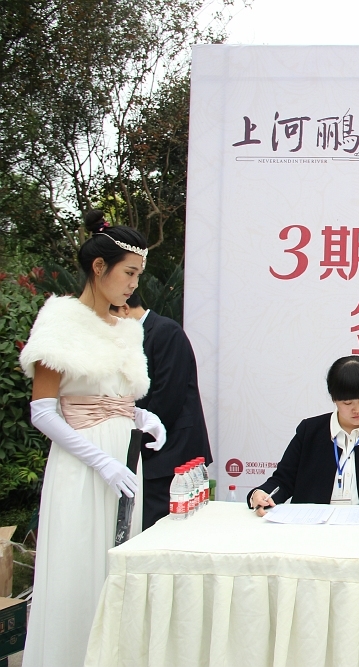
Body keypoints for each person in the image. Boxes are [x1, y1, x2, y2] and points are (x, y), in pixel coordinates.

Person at [19, 210, 166, 667]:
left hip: (123, 461)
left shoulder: (126, 329)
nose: (133, 285)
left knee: (116, 566)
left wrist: (141, 415)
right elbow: (43, 411)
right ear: (99, 267)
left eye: (138, 275)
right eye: (128, 273)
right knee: (78, 565)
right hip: (83, 464)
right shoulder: (61, 321)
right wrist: (99, 461)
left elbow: (111, 398)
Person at [248, 356, 359, 515]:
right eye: (347, 403)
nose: (357, 409)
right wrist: (260, 494)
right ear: (334, 398)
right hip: (312, 529)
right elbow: (283, 480)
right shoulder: (309, 431)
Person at [111, 294, 214, 530]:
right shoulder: (129, 340)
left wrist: (135, 440)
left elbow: (168, 397)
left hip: (172, 453)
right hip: (152, 453)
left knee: (163, 528)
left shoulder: (165, 331)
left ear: (124, 308)